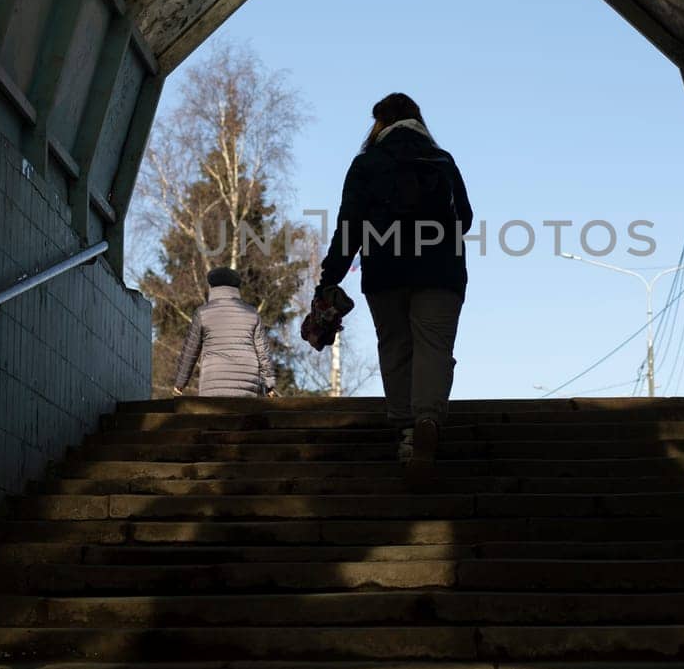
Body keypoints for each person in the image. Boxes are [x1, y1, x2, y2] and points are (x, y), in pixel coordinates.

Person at [316, 93, 471, 481]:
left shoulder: (367, 162)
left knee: (397, 346)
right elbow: (464, 219)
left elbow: (349, 225)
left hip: (385, 272)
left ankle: (405, 430)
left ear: (380, 123)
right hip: (441, 272)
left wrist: (330, 276)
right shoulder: (443, 160)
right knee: (433, 347)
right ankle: (428, 422)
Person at [172, 267, 278, 398]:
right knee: (243, 417)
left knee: (214, 417)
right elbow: (262, 352)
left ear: (212, 286)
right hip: (246, 380)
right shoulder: (252, 313)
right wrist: (269, 384)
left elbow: (190, 350)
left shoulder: (202, 313)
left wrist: (180, 383)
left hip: (213, 378)